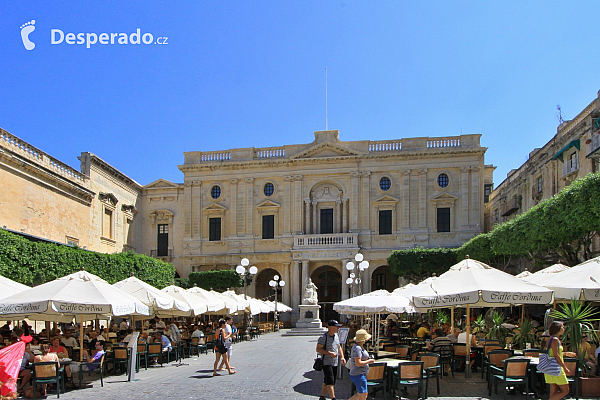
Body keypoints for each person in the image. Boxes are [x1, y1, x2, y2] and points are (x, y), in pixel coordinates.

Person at [545, 321, 576, 400]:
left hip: (550, 367)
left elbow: (553, 353)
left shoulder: (551, 339)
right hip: (556, 368)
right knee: (565, 390)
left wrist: (565, 353)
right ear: (557, 328)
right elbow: (556, 355)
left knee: (554, 391)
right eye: (562, 327)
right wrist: (565, 368)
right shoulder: (555, 339)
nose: (564, 329)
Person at [316, 320, 346, 400]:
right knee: (330, 382)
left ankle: (322, 397)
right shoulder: (323, 337)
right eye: (336, 326)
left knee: (327, 380)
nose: (337, 328)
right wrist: (329, 353)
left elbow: (339, 346)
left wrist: (342, 357)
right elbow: (318, 349)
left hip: (335, 362)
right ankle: (333, 398)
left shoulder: (336, 336)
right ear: (331, 327)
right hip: (326, 362)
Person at [348, 329, 375, 400]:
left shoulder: (359, 347)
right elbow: (358, 363)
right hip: (358, 374)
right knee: (363, 394)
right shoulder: (358, 348)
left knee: (361, 394)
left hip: (360, 373)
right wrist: (369, 361)